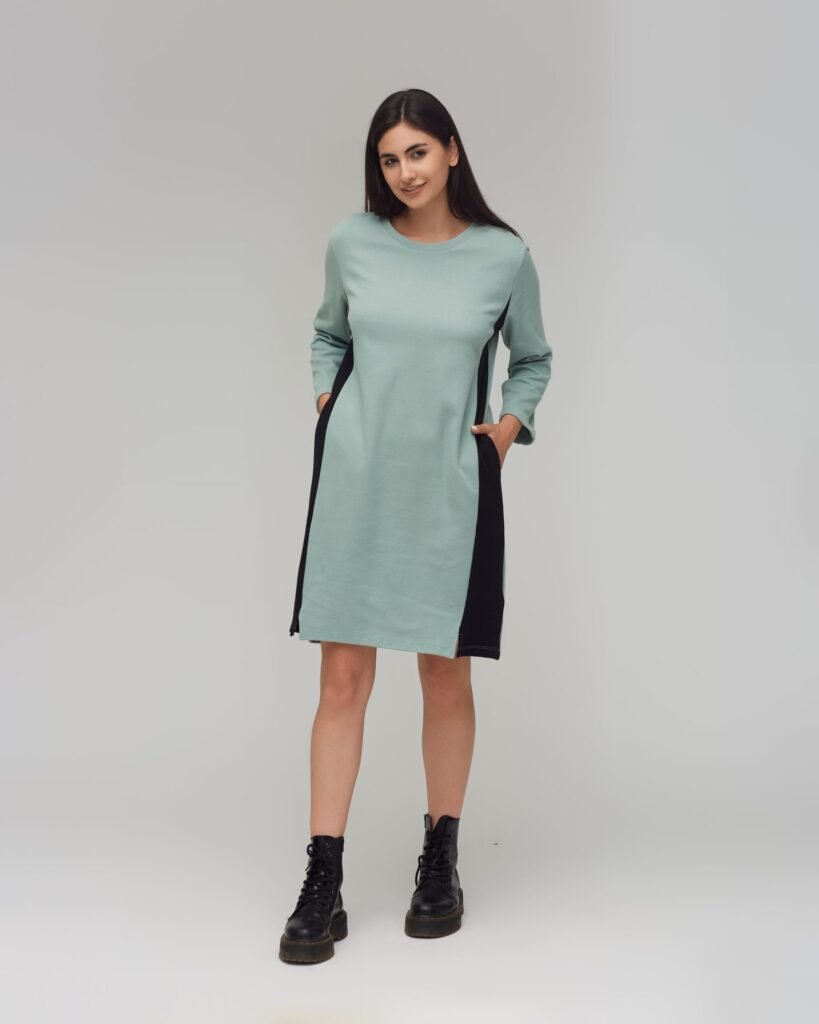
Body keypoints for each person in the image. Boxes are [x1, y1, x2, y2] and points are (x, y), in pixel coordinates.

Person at [280, 88, 553, 964]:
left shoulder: (502, 256)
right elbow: (327, 336)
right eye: (389, 159)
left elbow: (532, 359)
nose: (403, 172)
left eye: (418, 153)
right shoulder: (351, 243)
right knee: (341, 681)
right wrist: (328, 403)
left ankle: (440, 861)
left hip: (448, 492)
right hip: (354, 487)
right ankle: (323, 879)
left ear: (452, 151)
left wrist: (505, 429)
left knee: (443, 675)